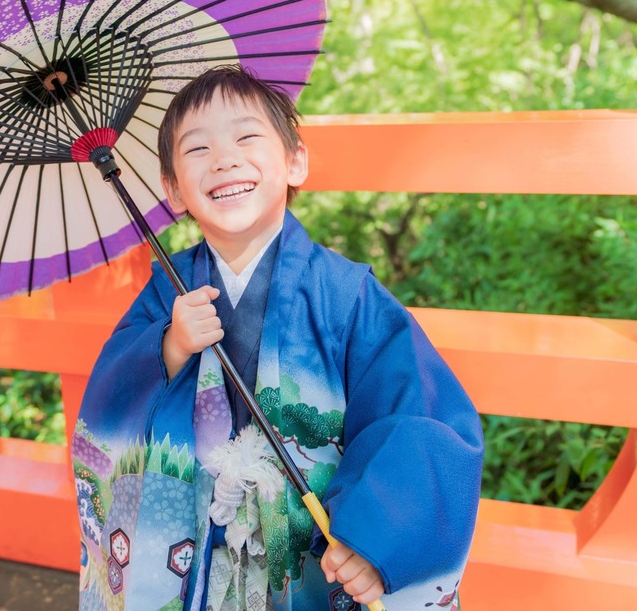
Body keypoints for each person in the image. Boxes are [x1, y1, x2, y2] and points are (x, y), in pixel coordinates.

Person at [72, 65, 483, 611]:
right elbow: (110, 393)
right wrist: (169, 345)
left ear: (295, 161)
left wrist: (376, 537)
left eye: (246, 137)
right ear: (172, 189)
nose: (224, 159)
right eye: (197, 149)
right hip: (201, 543)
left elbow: (416, 414)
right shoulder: (168, 290)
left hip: (315, 544)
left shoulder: (344, 293)